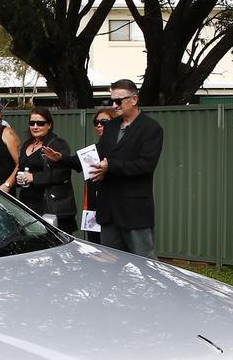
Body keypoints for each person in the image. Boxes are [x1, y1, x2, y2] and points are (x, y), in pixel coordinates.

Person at [92, 78, 163, 258]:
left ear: (134, 99)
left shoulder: (151, 128)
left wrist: (111, 166)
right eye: (112, 101)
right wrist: (63, 159)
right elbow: (98, 154)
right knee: (108, 265)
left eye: (119, 101)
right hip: (108, 210)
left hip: (134, 211)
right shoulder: (111, 126)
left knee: (145, 264)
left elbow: (146, 164)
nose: (114, 105)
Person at [16, 106, 77, 230]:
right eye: (32, 123)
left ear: (49, 125)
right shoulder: (27, 144)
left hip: (50, 206)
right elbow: (21, 168)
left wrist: (34, 177)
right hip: (28, 204)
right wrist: (20, 178)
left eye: (40, 123)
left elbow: (62, 174)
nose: (35, 126)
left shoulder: (57, 144)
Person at [78, 108, 115, 244]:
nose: (99, 125)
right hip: (93, 209)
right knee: (94, 249)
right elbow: (74, 162)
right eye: (96, 122)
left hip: (115, 211)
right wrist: (59, 158)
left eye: (103, 122)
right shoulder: (92, 150)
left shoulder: (122, 148)